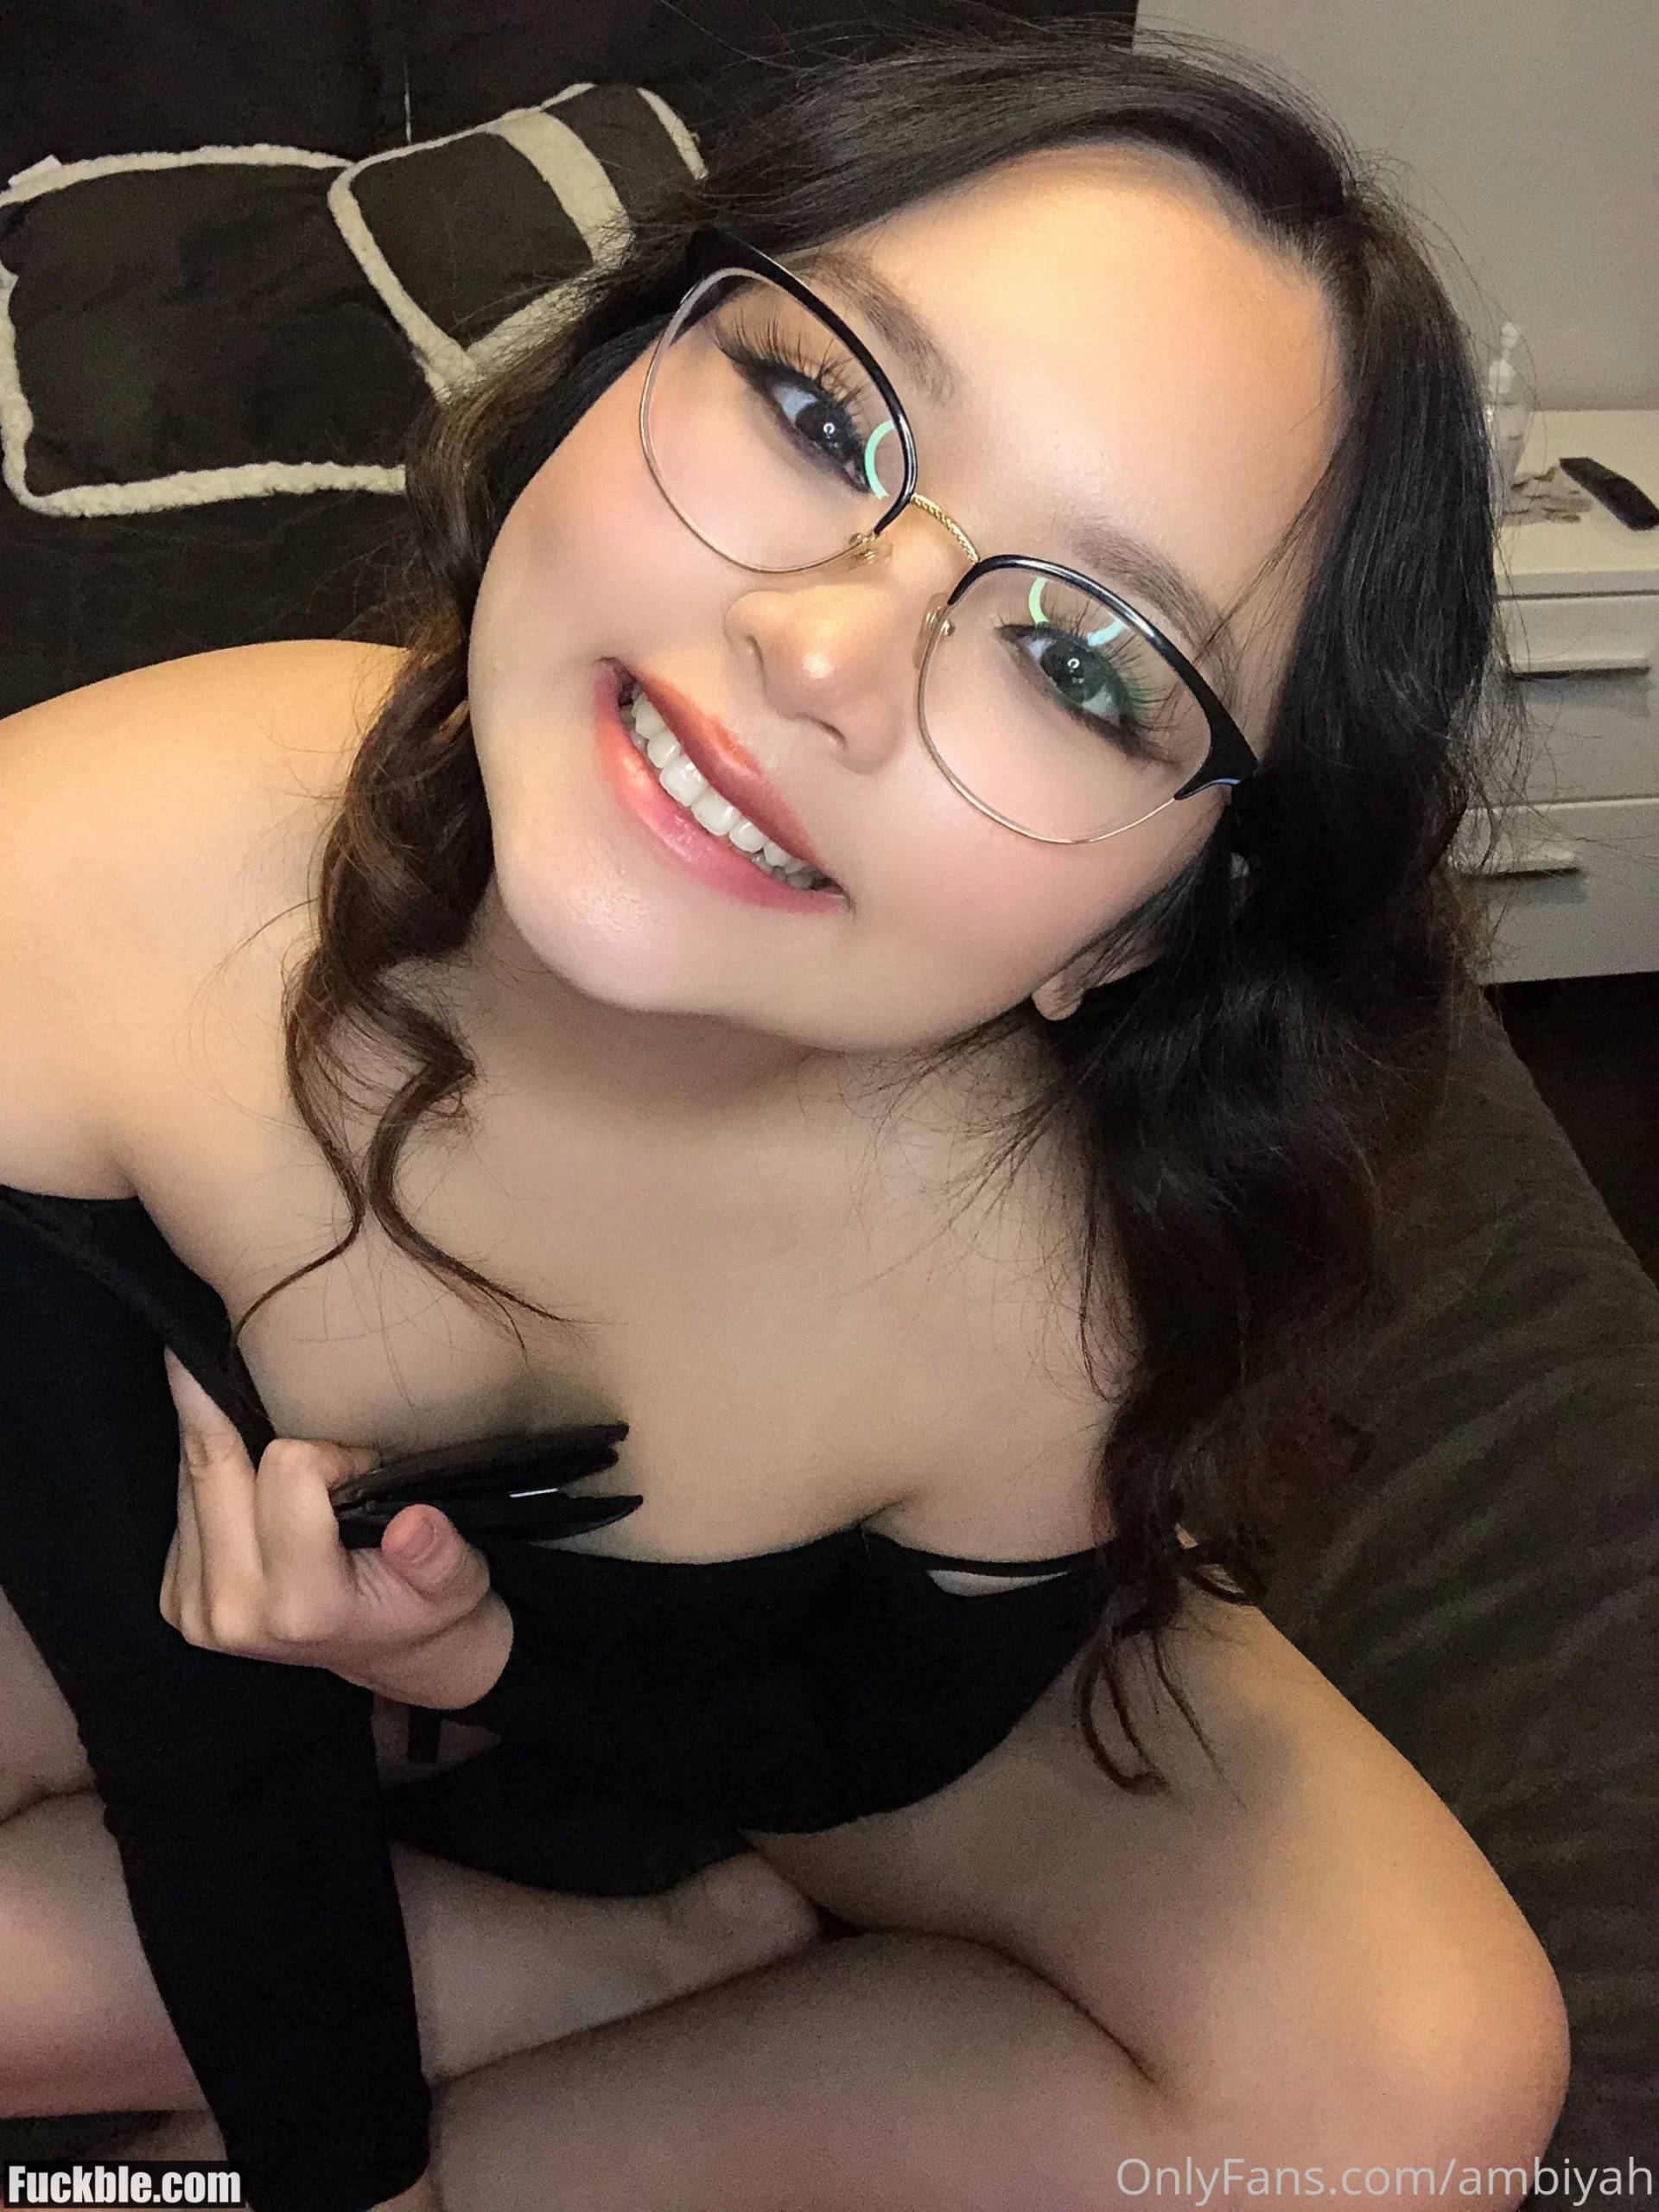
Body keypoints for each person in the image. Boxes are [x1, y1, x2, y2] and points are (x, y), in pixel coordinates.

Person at [0, 21, 1568, 2211]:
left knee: (1416, 2083)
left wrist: (494, 1651)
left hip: (702, 1676)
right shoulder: (78, 892)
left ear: (1141, 926)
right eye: (822, 410)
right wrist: (353, 2154)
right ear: (609, 373)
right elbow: (199, 1737)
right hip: (130, 1619)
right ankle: (570, 1967)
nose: (824, 651)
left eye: (1083, 663)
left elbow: (873, 1725)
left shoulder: (1052, 1291)